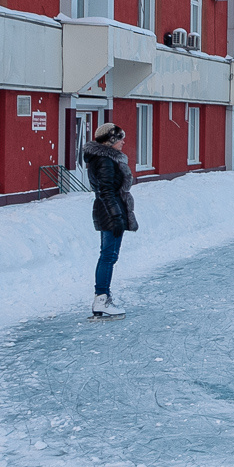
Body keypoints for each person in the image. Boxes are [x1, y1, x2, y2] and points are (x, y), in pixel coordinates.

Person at [83, 121, 136, 319]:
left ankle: (102, 298)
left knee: (108, 255)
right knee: (108, 255)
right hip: (109, 212)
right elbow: (106, 191)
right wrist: (116, 216)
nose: (123, 141)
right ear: (111, 140)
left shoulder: (104, 159)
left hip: (108, 210)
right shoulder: (105, 161)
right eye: (120, 138)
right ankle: (102, 299)